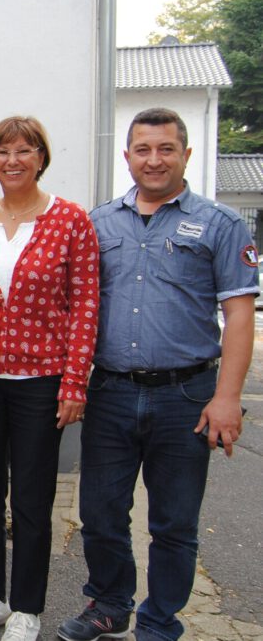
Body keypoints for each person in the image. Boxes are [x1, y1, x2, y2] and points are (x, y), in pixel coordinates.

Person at [56, 108, 257, 641]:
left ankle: (160, 620)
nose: (154, 159)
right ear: (127, 157)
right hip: (111, 392)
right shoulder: (98, 223)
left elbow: (239, 315)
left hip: (186, 395)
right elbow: (73, 306)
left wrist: (227, 398)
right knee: (100, 513)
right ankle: (109, 604)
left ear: (186, 155)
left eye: (166, 148)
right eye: (143, 149)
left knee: (173, 522)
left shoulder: (220, 224)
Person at [0, 117, 99, 641]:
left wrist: (75, 382)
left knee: (31, 498)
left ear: (40, 158)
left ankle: (27, 607)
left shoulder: (70, 221)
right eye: (2, 151)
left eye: (24, 150)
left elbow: (85, 307)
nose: (13, 160)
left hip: (40, 381)